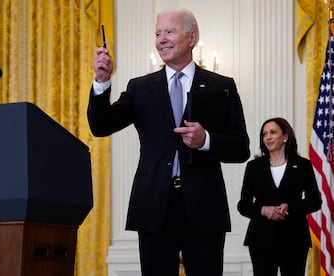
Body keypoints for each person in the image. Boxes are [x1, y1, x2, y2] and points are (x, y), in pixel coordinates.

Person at [88, 8, 250, 276]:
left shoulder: (221, 85)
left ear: (192, 37)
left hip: (204, 207)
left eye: (169, 32)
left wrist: (206, 140)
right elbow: (101, 125)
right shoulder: (140, 88)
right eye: (157, 33)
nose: (161, 39)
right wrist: (102, 83)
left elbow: (240, 148)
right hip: (153, 206)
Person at [237, 117, 322, 276]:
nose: (268, 137)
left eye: (273, 132)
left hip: (294, 238)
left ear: (285, 136)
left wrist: (291, 207)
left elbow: (315, 201)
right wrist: (263, 210)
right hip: (261, 239)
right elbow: (243, 204)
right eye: (264, 134)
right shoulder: (254, 167)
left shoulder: (303, 165)